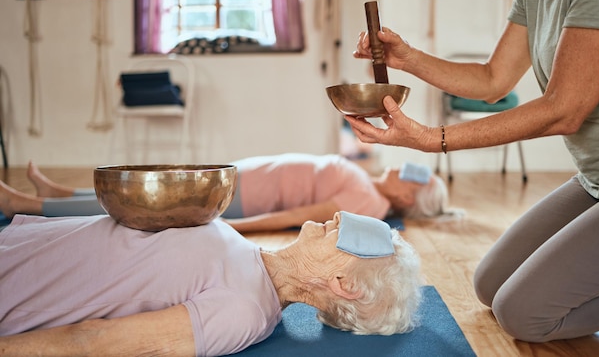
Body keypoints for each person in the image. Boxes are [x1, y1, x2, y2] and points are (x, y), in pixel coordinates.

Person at [346, 0, 599, 344]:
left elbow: (565, 109)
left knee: (523, 315)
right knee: (490, 284)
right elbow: (493, 80)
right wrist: (407, 58)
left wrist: (431, 138)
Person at [0, 211, 422, 356]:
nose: (338, 218)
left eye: (348, 235)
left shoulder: (244, 312)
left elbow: (94, 342)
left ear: (341, 282)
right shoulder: (248, 252)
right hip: (21, 242)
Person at [0, 154, 453, 233]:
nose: (403, 167)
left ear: (409, 198)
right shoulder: (368, 180)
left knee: (140, 203)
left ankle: (26, 205)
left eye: (414, 175)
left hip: (240, 200)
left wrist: (236, 225)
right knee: (141, 189)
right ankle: (58, 192)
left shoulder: (369, 203)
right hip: (241, 179)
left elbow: (298, 215)